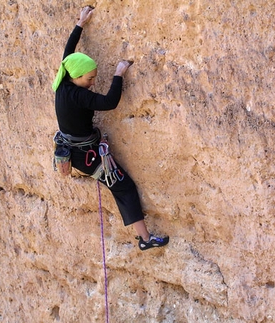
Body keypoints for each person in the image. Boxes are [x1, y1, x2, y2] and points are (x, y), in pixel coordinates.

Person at [52, 6, 169, 251]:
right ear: (77, 76)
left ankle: (144, 238)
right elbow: (109, 102)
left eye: (94, 77)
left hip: (75, 151)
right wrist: (118, 74)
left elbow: (68, 52)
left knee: (118, 185)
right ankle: (146, 240)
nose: (92, 82)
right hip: (86, 156)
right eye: (89, 79)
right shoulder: (79, 96)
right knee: (122, 185)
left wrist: (81, 23)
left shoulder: (63, 80)